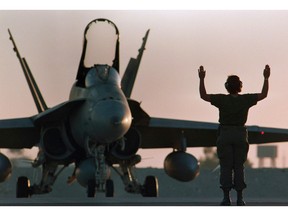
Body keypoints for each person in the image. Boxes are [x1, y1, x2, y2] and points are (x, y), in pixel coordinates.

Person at [198, 65, 270, 206]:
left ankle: (226, 197)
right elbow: (263, 95)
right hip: (240, 135)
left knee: (225, 166)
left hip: (225, 134)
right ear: (240, 86)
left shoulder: (221, 100)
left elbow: (203, 96)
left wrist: (201, 79)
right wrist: (266, 78)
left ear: (227, 86)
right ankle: (240, 198)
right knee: (238, 166)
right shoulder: (245, 100)